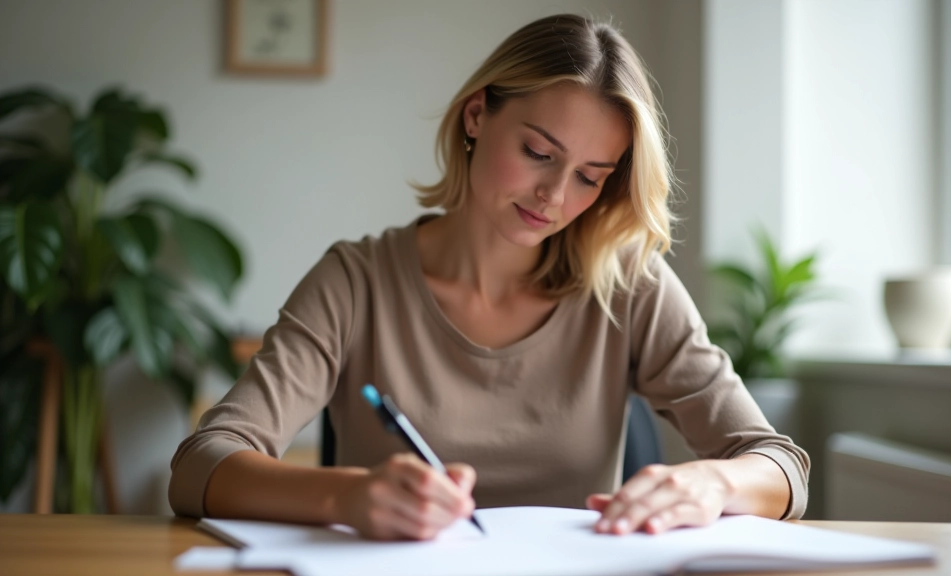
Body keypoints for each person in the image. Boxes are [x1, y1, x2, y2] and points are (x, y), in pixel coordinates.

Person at [169, 13, 810, 542]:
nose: (555, 196)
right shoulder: (356, 281)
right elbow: (202, 464)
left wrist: (713, 483)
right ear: (477, 115)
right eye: (538, 153)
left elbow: (781, 467)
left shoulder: (629, 286)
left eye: (590, 176)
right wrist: (350, 495)